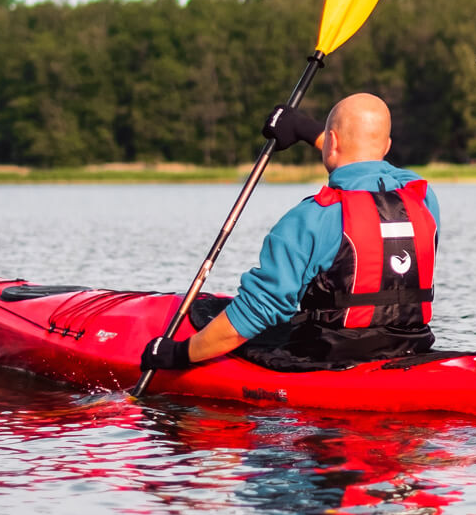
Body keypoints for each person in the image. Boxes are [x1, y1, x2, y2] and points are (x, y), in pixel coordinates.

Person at [140, 93, 440, 371]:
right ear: (386, 147)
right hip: (411, 347)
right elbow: (383, 171)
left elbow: (256, 312)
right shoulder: (423, 199)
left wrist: (177, 354)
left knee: (210, 312)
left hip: (332, 357)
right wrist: (305, 130)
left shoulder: (312, 217)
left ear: (332, 142)